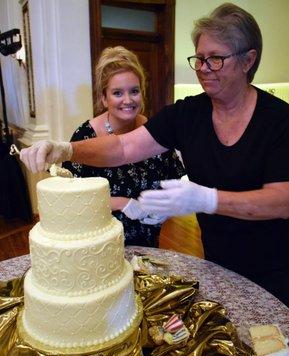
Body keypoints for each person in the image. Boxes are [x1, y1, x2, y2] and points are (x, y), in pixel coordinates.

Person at [20, 3, 289, 306]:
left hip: (276, 268)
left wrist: (206, 199)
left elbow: (282, 200)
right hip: (217, 260)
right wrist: (65, 149)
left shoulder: (279, 120)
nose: (202, 68)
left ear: (247, 60)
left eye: (215, 59)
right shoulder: (188, 114)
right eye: (199, 58)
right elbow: (123, 146)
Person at [62, 46, 185, 247]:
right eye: (117, 93)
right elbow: (72, 197)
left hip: (147, 246)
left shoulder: (154, 132)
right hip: (99, 247)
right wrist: (121, 203)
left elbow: (171, 184)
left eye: (134, 91)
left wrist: (165, 207)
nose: (128, 100)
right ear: (104, 98)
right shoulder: (86, 136)